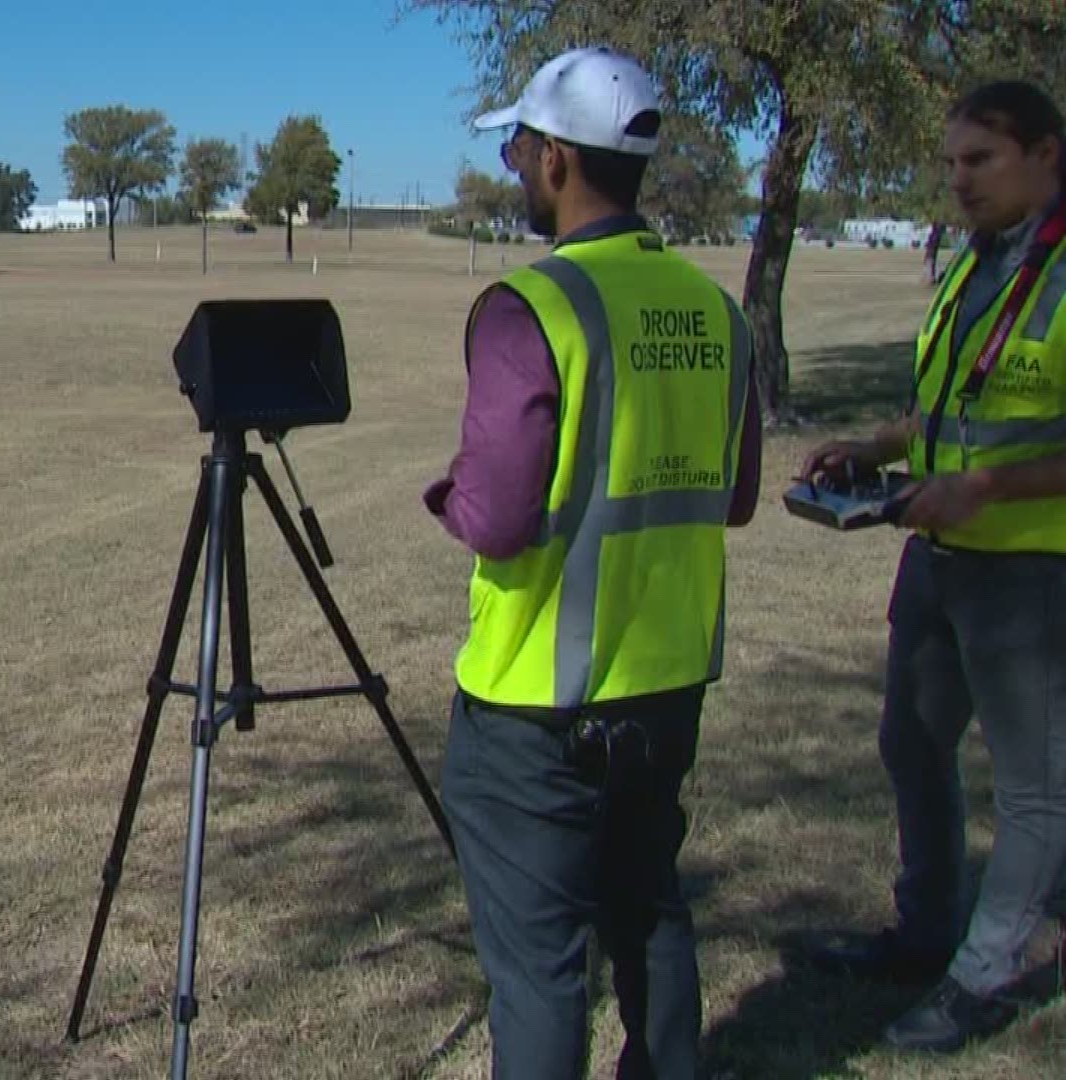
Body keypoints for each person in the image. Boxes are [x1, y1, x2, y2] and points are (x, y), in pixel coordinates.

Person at [424, 46, 761, 1079]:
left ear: (560, 159)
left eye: (522, 146)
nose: (516, 164)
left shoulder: (535, 307)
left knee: (537, 969)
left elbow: (495, 515)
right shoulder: (718, 312)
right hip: (665, 688)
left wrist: (450, 493)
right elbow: (735, 495)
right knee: (650, 909)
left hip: (538, 708)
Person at [799, 79, 1066, 1053]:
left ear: (1044, 155)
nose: (957, 180)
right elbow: (956, 405)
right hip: (936, 556)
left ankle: (984, 975)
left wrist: (988, 490)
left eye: (979, 161)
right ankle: (925, 933)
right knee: (912, 744)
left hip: (1031, 574)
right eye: (951, 161)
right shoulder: (977, 263)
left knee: (1037, 789)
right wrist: (878, 449)